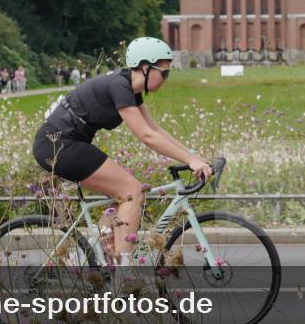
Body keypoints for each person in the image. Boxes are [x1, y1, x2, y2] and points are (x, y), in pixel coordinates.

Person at [32, 37, 212, 266]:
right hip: (57, 144)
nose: (167, 79)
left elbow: (154, 129)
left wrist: (192, 157)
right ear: (146, 68)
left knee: (126, 195)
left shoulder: (129, 88)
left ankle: (91, 253)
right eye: (164, 73)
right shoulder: (120, 86)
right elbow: (146, 137)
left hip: (69, 142)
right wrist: (190, 160)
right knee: (131, 191)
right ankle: (124, 273)